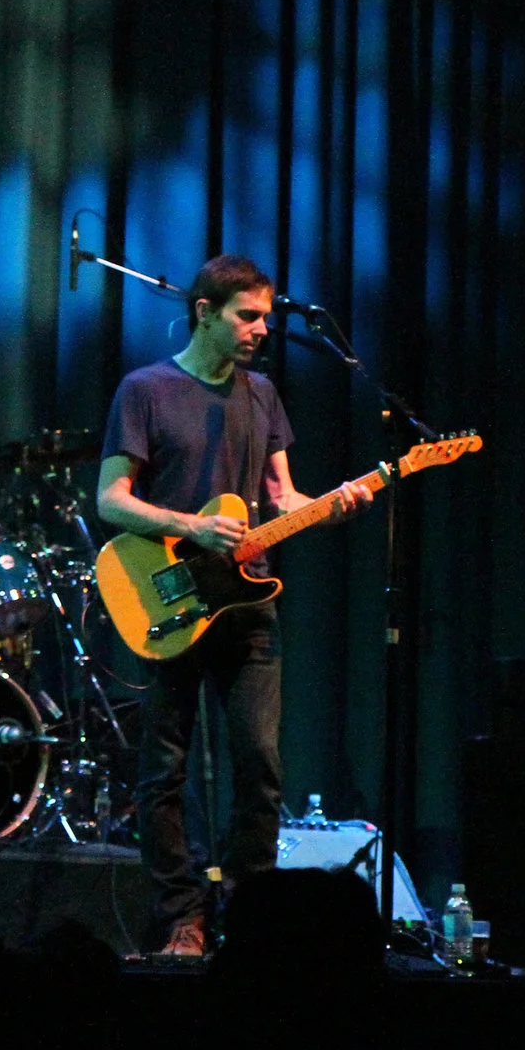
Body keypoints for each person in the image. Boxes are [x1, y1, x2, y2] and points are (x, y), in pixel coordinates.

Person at [96, 254, 369, 957]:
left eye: (266, 318)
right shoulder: (145, 389)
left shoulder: (263, 395)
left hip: (248, 603)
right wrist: (189, 525)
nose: (261, 330)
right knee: (165, 769)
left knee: (260, 762)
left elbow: (283, 498)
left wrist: (333, 506)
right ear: (205, 312)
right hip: (173, 600)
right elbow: (110, 499)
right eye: (248, 316)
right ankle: (181, 916)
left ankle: (251, 917)